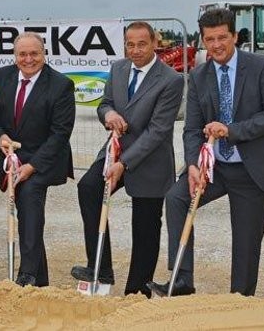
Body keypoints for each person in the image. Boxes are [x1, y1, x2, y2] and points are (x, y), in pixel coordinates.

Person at [149, 8, 264, 297]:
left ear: (235, 36)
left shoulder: (261, 67)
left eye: (222, 37)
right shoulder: (199, 75)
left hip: (253, 169)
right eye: (209, 39)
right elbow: (191, 129)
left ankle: (240, 300)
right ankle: (182, 281)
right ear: (203, 40)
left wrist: (231, 130)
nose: (216, 45)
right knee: (176, 198)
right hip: (215, 168)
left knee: (246, 242)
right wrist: (191, 165)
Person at [70, 22, 184, 297]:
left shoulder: (170, 79)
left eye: (141, 44)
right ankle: (100, 267)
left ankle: (137, 288)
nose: (135, 50)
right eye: (129, 44)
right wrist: (108, 115)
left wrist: (124, 164)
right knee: (88, 189)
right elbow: (105, 103)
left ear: (155, 42)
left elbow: (158, 131)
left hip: (150, 159)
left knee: (145, 224)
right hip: (115, 150)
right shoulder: (118, 69)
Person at [0, 32, 75, 287]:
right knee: (26, 210)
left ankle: (28, 275)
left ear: (44, 54)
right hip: (12, 157)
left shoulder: (60, 85)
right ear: (15, 56)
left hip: (44, 159)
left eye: (34, 53)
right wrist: (0, 137)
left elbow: (60, 133)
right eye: (22, 54)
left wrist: (32, 167)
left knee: (29, 200)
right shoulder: (2, 77)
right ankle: (39, 280)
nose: (28, 59)